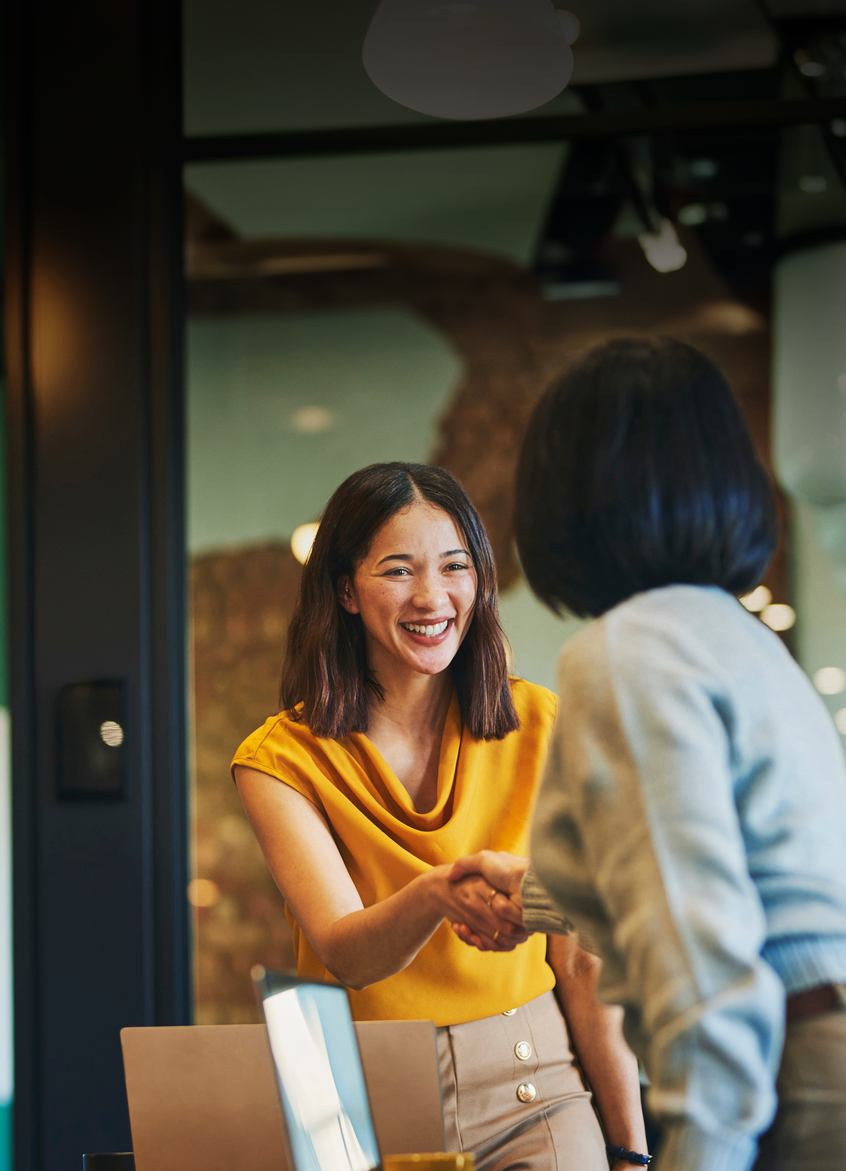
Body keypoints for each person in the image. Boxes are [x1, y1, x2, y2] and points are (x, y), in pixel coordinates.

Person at [447, 339, 846, 1171]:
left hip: (815, 1093)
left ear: (569, 492)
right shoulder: (738, 643)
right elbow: (742, 881)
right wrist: (531, 899)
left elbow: (703, 975)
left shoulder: (627, 653)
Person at [231, 461, 649, 1171]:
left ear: (480, 581)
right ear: (346, 591)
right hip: (358, 1105)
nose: (432, 597)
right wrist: (435, 892)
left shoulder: (543, 724)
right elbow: (346, 954)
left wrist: (631, 1152)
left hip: (535, 1085)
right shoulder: (279, 760)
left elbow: (582, 962)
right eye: (397, 571)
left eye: (455, 566)